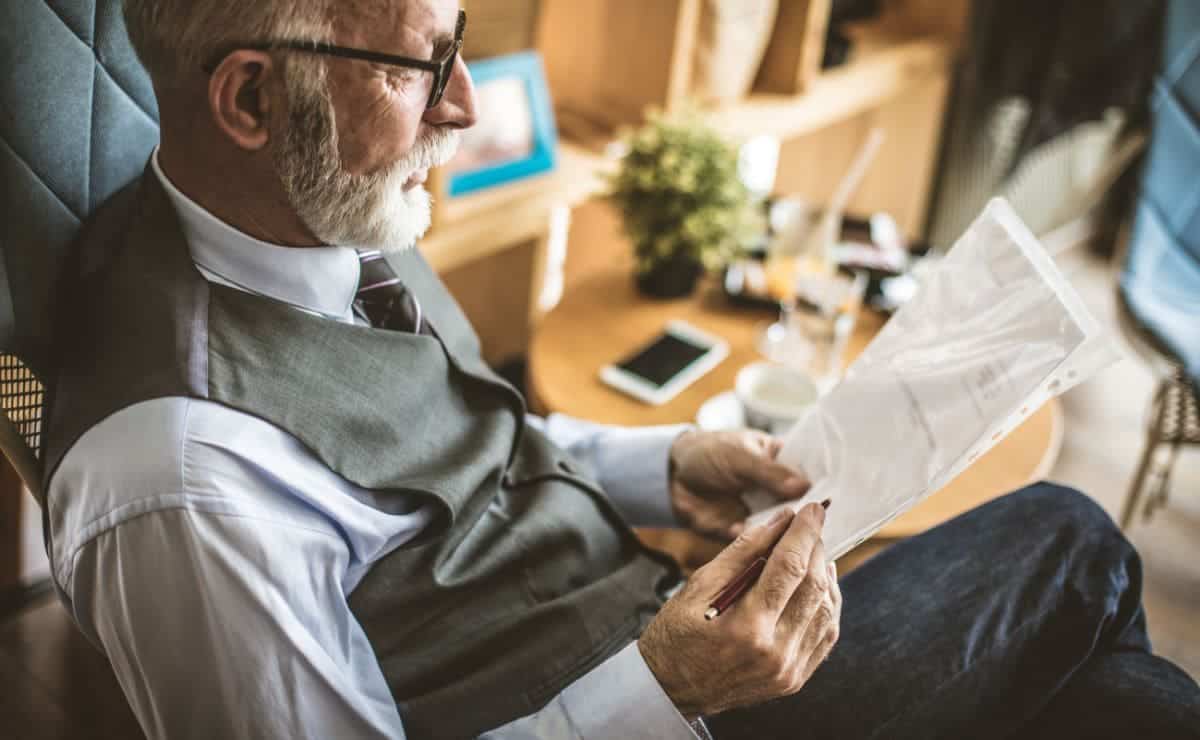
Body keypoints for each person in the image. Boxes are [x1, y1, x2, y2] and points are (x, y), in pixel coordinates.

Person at [42, 0, 1200, 738]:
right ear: (249, 97)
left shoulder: (319, 219)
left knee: (1131, 709)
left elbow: (455, 448)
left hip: (642, 631)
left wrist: (665, 462)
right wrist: (669, 683)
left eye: (461, 43)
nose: (466, 104)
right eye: (415, 69)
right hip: (655, 707)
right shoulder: (183, 482)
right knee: (1070, 538)